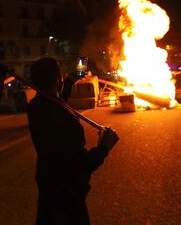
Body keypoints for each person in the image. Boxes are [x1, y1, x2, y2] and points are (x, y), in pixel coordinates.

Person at [27, 57, 119, 225]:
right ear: (57, 80)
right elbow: (79, 166)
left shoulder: (36, 107)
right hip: (67, 199)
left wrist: (72, 78)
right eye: (60, 77)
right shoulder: (62, 117)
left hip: (48, 189)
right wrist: (104, 147)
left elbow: (59, 96)